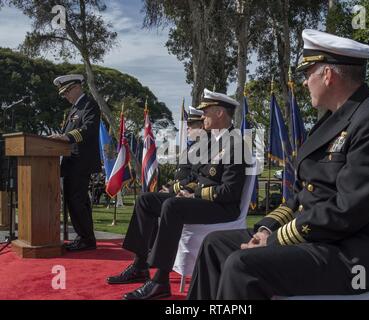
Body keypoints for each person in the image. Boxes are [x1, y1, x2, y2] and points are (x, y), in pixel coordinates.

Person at [187, 29, 369, 300]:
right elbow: (301, 195)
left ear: (328, 75)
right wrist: (265, 229)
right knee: (215, 244)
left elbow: (348, 210)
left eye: (308, 74)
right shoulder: (332, 121)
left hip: (355, 256)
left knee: (243, 265)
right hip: (319, 238)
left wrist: (273, 241)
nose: (305, 83)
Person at [107, 90, 248, 300]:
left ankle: (160, 281)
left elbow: (230, 191)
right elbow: (195, 175)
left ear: (220, 113)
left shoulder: (236, 144)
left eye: (206, 112)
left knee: (173, 207)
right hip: (200, 201)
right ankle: (140, 265)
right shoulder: (208, 142)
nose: (202, 117)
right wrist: (186, 190)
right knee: (146, 201)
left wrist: (195, 193)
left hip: (222, 208)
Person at [51, 74, 101, 251]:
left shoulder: (88, 105)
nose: (65, 96)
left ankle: (86, 239)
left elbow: (88, 129)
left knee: (77, 200)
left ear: (76, 87)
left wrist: (66, 137)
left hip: (81, 161)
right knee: (76, 201)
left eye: (66, 92)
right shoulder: (74, 109)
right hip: (71, 161)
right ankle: (85, 237)